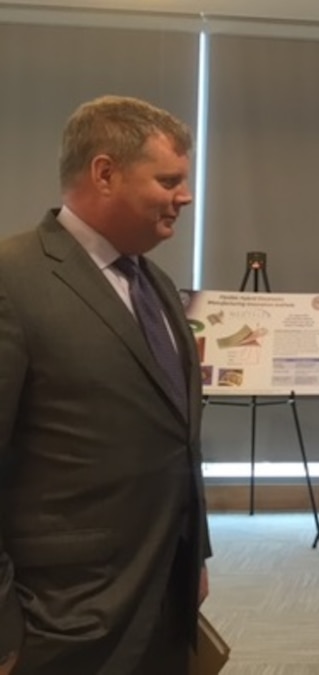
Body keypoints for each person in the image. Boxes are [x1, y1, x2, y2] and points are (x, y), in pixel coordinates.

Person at [0, 96, 211, 674]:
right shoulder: (12, 281)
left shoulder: (157, 283)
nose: (185, 196)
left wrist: (195, 556)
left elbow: (177, 436)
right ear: (105, 173)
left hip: (164, 604)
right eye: (169, 180)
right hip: (59, 622)